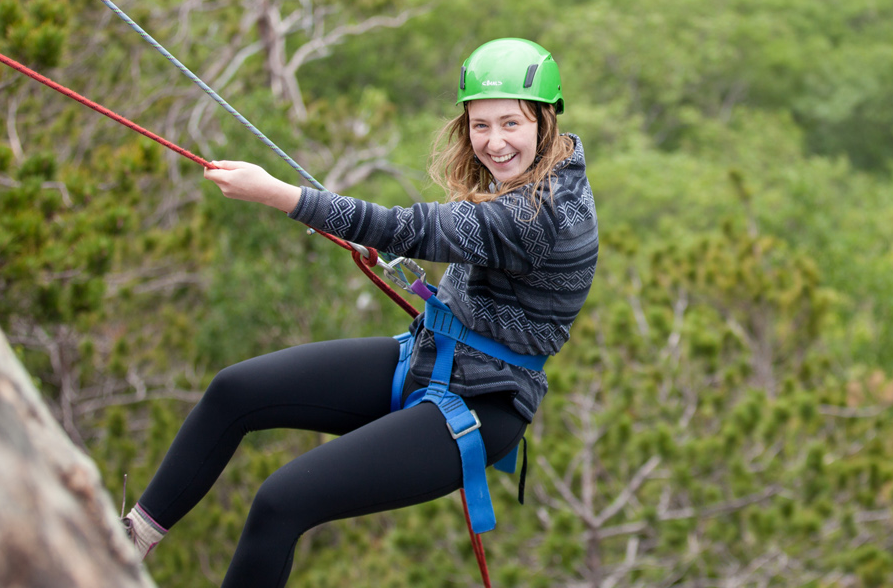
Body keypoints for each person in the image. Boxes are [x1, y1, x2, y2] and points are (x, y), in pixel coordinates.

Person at [120, 38, 596, 588]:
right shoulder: (540, 173)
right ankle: (129, 541)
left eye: (510, 124)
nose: (493, 142)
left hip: (482, 404)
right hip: (433, 358)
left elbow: (411, 228)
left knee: (281, 502)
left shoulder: (541, 214)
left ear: (545, 120)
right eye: (480, 125)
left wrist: (278, 194)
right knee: (233, 392)